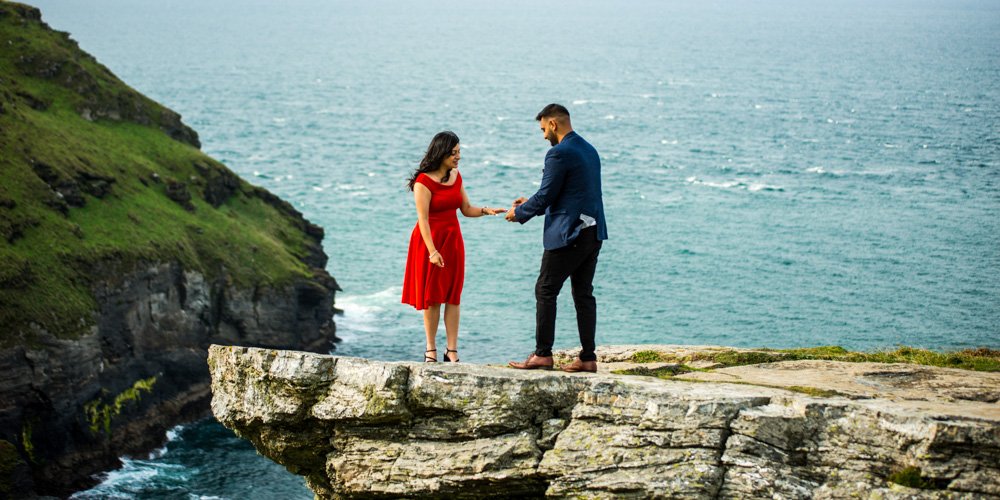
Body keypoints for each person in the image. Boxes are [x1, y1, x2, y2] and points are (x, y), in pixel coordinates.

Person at [506, 104, 608, 373]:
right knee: (583, 293)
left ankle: (543, 355)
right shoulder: (589, 149)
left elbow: (547, 195)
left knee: (545, 289)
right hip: (593, 231)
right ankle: (588, 357)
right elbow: (572, 192)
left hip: (569, 232)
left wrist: (520, 212)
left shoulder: (558, 154)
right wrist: (531, 203)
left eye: (543, 129)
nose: (543, 136)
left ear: (553, 124)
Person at [402, 131, 506, 363]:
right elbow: (423, 220)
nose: (458, 157)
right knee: (432, 297)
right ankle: (430, 350)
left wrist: (486, 210)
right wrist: (432, 251)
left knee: (453, 295)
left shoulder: (456, 176)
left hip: (453, 241)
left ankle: (452, 351)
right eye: (454, 153)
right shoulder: (423, 182)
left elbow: (466, 208)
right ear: (441, 153)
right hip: (429, 242)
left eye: (459, 152)